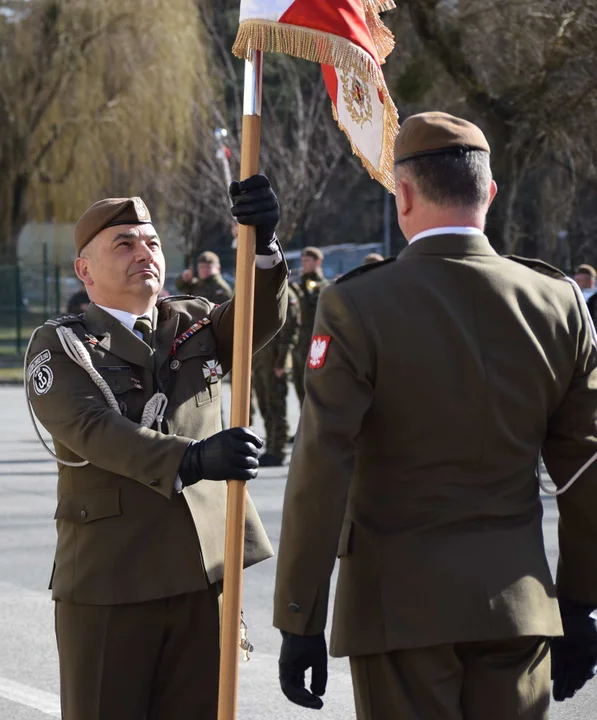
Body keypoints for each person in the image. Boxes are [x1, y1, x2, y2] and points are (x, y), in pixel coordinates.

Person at [273, 111, 597, 719]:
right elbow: (587, 472)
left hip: (400, 610)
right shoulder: (558, 302)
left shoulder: (357, 303)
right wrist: (581, 603)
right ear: (490, 192)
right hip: (520, 608)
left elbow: (322, 465)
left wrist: (300, 616)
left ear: (403, 194)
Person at [25, 175, 289, 720]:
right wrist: (190, 459)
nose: (143, 252)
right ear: (85, 269)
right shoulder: (61, 345)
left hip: (203, 574)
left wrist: (262, 245)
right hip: (112, 581)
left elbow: (259, 318)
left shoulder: (193, 323)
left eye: (151, 242)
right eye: (123, 243)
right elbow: (95, 429)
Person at [251, 282, 298, 466]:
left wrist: (281, 362)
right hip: (261, 362)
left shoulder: (285, 294)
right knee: (265, 406)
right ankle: (271, 446)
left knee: (276, 406)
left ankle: (277, 450)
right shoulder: (261, 293)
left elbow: (289, 332)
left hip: (275, 363)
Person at [291, 246, 326, 408]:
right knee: (299, 387)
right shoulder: (300, 283)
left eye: (307, 260)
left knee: (312, 390)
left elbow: (309, 304)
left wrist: (299, 288)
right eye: (302, 260)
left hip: (313, 343)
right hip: (299, 342)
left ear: (317, 262)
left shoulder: (320, 285)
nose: (303, 264)